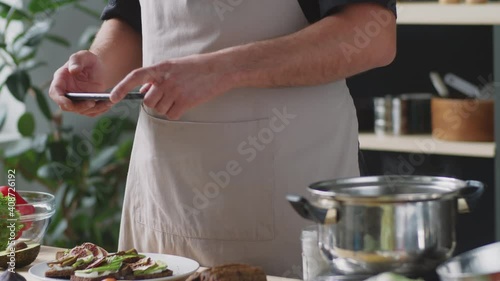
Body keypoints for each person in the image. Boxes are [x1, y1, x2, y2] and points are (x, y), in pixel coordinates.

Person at [49, 0, 397, 276]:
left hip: (284, 190)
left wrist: (221, 69)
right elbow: (132, 15)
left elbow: (373, 32)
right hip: (162, 196)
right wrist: (100, 68)